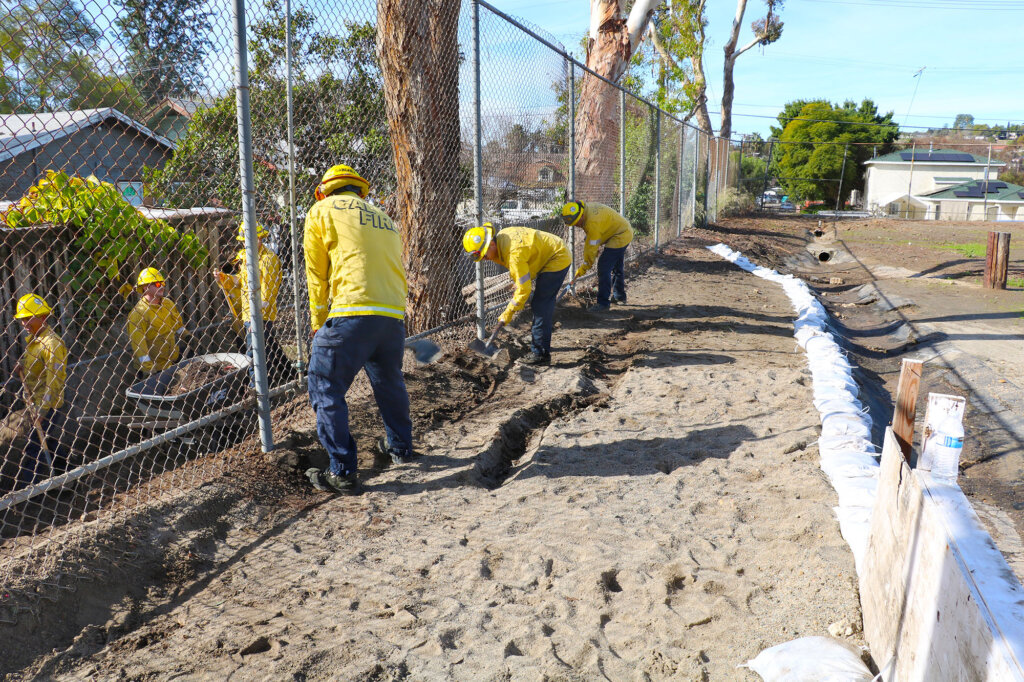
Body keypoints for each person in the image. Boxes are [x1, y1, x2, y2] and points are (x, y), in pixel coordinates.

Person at [302, 164, 416, 495]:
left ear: (324, 190)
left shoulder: (321, 209)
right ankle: (399, 447)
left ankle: (341, 471)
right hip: (391, 314)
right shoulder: (382, 216)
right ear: (359, 190)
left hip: (351, 311)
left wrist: (317, 321)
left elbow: (315, 271)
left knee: (325, 386)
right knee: (389, 382)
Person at [462, 223, 571, 365]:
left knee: (541, 304)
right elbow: (522, 265)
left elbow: (524, 287)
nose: (483, 259)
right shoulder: (503, 239)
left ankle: (540, 354)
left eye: (482, 255)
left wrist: (508, 312)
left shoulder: (514, 254)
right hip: (544, 255)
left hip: (557, 257)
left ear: (492, 244)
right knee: (537, 301)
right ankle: (539, 343)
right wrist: (519, 283)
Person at [7, 294, 69, 488]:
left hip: (48, 403)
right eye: (22, 319)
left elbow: (54, 379)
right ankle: (68, 477)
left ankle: (26, 490)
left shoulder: (51, 343)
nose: (24, 323)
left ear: (42, 317)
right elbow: (35, 368)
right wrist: (22, 367)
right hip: (35, 402)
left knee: (34, 447)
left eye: (28, 318)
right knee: (48, 443)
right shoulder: (33, 341)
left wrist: (43, 411)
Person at [216, 223, 289, 385]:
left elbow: (268, 293)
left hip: (260, 314)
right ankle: (273, 382)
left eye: (248, 240)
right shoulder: (247, 258)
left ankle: (257, 390)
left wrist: (257, 317)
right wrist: (223, 278)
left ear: (259, 238)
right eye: (243, 242)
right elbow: (240, 281)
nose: (245, 244)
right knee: (265, 351)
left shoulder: (268, 259)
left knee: (254, 355)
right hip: (249, 313)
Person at [561, 200, 633, 311]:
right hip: (621, 230)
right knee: (616, 266)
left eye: (577, 223)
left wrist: (584, 267)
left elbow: (591, 249)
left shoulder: (592, 222)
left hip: (620, 235)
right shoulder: (586, 209)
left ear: (581, 215)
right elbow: (595, 236)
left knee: (603, 267)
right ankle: (619, 296)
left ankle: (603, 303)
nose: (577, 225)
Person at [127, 267, 188, 375]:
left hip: (171, 361)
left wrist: (187, 337)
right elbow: (140, 348)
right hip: (154, 368)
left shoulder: (167, 304)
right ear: (145, 287)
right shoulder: (138, 314)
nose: (162, 287)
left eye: (162, 283)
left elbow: (177, 325)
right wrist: (150, 371)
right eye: (157, 284)